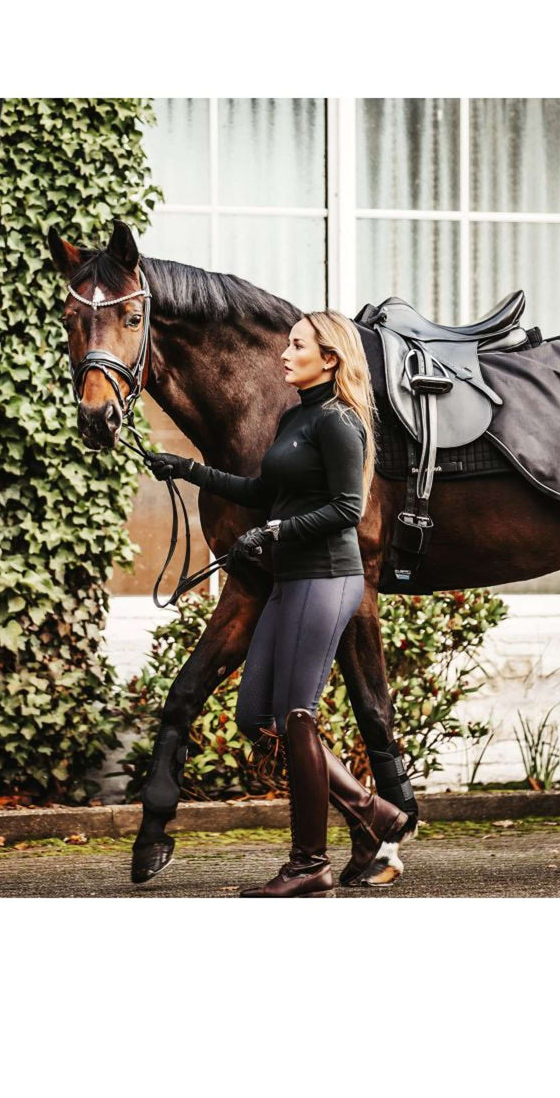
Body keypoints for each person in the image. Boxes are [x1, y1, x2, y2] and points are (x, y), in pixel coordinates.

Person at [145, 310, 408, 898]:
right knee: (255, 717)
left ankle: (309, 864)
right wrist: (187, 470)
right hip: (291, 581)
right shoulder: (296, 417)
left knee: (295, 716)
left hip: (327, 579)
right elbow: (264, 492)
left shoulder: (339, 421)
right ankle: (376, 812)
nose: (284, 354)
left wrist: (274, 532)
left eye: (297, 346)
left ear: (330, 359)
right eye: (287, 344)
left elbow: (347, 508)